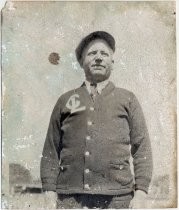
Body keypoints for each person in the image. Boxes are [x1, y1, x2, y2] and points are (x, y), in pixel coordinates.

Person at [40, 31, 153, 209]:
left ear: (112, 62)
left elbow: (142, 148)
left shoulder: (128, 99)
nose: (98, 58)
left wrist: (141, 193)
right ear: (81, 62)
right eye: (92, 54)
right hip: (70, 199)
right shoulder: (66, 100)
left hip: (118, 199)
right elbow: (50, 150)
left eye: (104, 54)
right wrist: (48, 191)